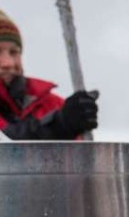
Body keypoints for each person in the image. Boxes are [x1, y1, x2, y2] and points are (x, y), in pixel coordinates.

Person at [0, 9, 98, 140]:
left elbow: (80, 159)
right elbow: (8, 144)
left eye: (14, 52)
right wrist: (60, 125)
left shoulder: (54, 105)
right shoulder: (62, 116)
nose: (8, 63)